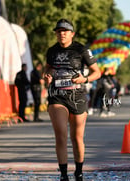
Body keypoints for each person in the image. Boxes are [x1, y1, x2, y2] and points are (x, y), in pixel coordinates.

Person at [44, 19, 101, 181]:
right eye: (58, 31)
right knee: (61, 135)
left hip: (77, 96)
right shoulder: (52, 51)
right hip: (57, 95)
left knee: (77, 137)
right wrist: (47, 76)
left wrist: (85, 79)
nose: (61, 34)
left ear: (72, 34)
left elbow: (97, 72)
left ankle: (79, 171)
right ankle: (63, 174)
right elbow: (48, 68)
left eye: (65, 31)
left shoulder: (81, 50)